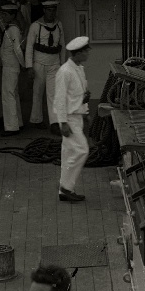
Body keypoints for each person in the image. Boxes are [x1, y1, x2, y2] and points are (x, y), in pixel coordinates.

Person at [54, 36, 91, 202]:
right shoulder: (65, 72)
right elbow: (60, 99)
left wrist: (86, 110)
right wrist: (62, 122)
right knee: (82, 150)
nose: (88, 53)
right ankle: (66, 188)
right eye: (86, 51)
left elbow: (80, 94)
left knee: (69, 153)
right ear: (78, 53)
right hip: (69, 119)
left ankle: (65, 189)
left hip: (77, 115)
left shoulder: (79, 69)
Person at [25, 0, 65, 131]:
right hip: (39, 63)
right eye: (49, 10)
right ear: (44, 11)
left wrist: (62, 65)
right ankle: (36, 119)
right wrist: (29, 66)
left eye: (53, 10)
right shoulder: (35, 26)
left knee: (53, 93)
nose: (51, 13)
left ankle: (55, 123)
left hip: (54, 64)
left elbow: (62, 45)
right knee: (37, 92)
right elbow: (29, 47)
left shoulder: (59, 25)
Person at [0, 3, 24, 135]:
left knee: (8, 96)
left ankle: (11, 127)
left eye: (6, 14)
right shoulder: (10, 29)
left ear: (13, 15)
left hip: (11, 66)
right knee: (13, 94)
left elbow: (17, 50)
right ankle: (17, 122)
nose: (3, 17)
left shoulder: (13, 29)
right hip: (10, 66)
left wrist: (24, 65)